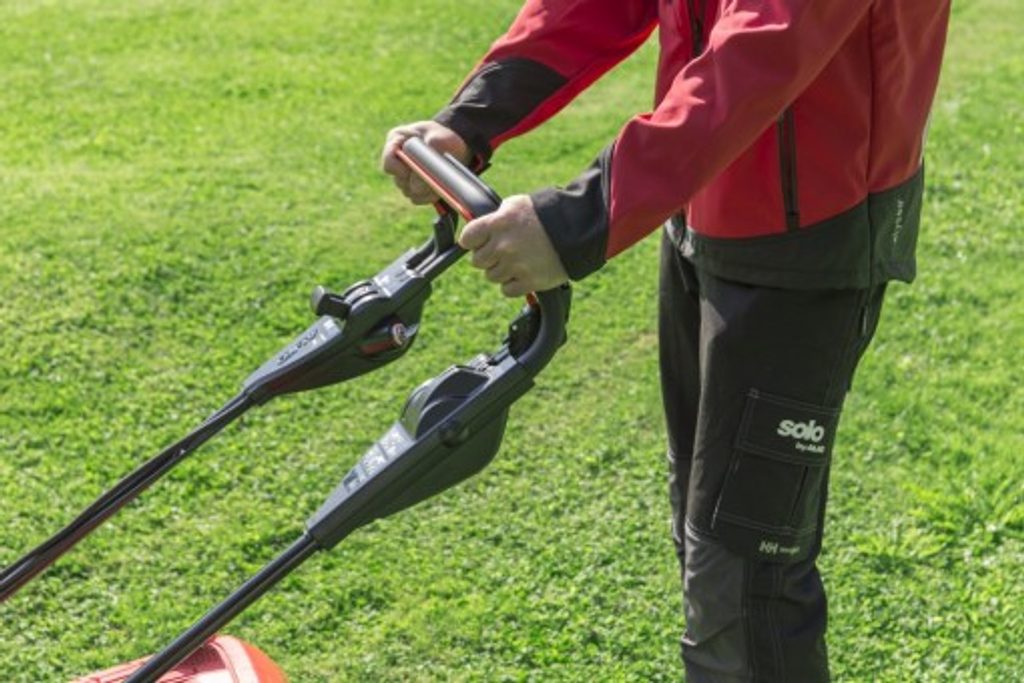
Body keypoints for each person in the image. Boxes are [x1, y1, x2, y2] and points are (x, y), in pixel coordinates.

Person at [381, 0, 951, 679]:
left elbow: (765, 47)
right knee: (706, 535)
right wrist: (472, 114)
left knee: (744, 580)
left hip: (809, 235)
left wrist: (579, 220)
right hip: (701, 202)